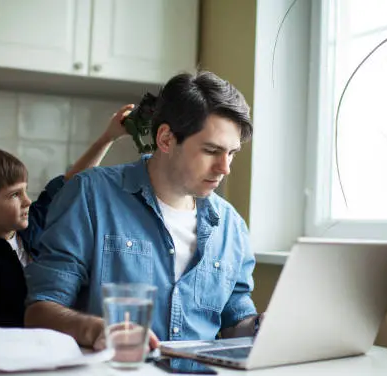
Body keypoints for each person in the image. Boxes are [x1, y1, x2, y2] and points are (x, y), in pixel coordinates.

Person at [24, 71, 261, 350]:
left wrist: (260, 327)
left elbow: (236, 323)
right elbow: (39, 312)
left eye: (232, 153)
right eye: (211, 150)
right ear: (166, 139)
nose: (225, 168)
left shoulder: (231, 225)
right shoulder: (90, 195)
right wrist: (96, 329)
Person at [0, 104, 134, 332]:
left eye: (25, 190)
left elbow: (71, 181)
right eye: (15, 195)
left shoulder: (31, 223)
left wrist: (108, 137)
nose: (27, 201)